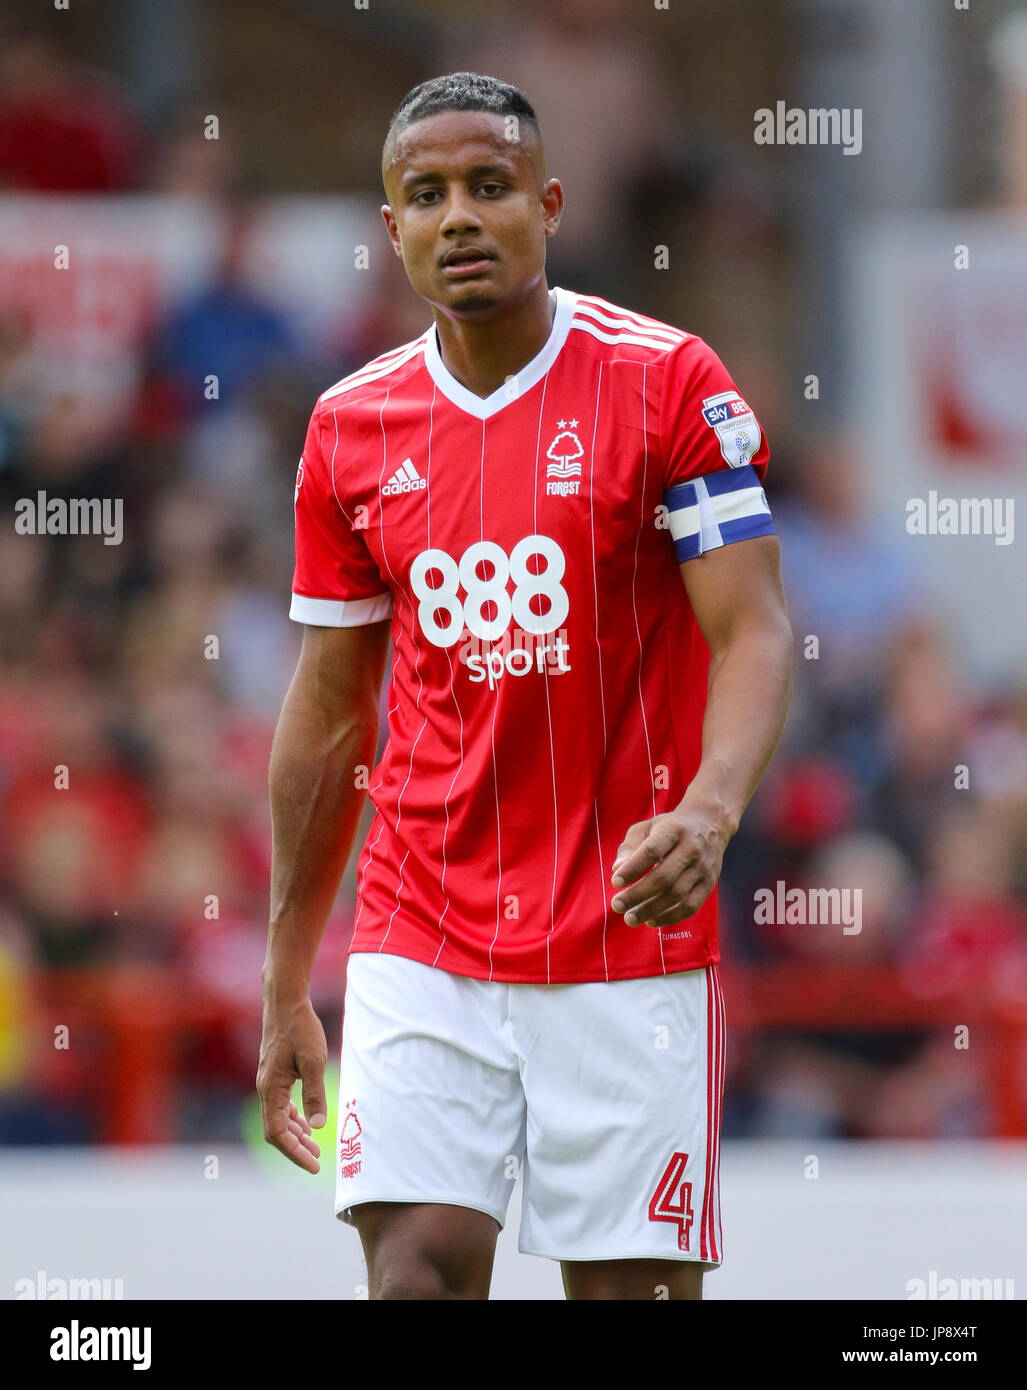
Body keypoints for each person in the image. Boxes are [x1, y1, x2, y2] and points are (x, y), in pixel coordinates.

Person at [257, 72, 793, 1301]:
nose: (459, 217)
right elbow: (330, 711)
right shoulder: (349, 429)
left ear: (546, 207)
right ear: (390, 231)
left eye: (488, 187)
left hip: (629, 934)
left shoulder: (668, 383)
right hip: (424, 926)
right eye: (426, 195)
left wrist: (708, 811)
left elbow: (756, 631)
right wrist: (288, 978)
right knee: (415, 1275)